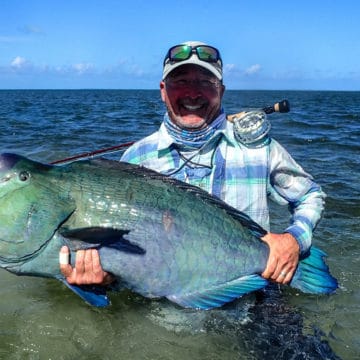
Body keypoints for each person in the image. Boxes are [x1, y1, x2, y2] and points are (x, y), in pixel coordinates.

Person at [60, 41, 325, 288]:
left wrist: (293, 240)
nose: (193, 92)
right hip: (169, 306)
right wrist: (104, 276)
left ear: (221, 91)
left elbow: (309, 195)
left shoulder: (259, 149)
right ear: (163, 91)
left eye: (206, 82)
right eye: (180, 81)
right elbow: (121, 249)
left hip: (253, 290)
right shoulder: (135, 159)